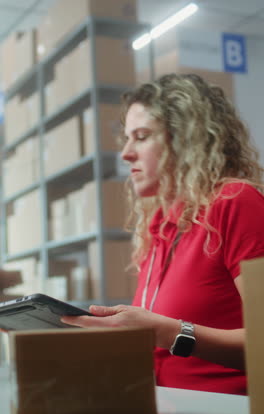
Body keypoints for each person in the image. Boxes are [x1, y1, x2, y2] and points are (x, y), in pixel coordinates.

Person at [62, 73, 264, 395]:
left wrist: (168, 332)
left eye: (141, 137)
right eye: (127, 139)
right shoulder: (158, 229)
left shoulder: (235, 203)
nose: (126, 153)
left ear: (185, 139)